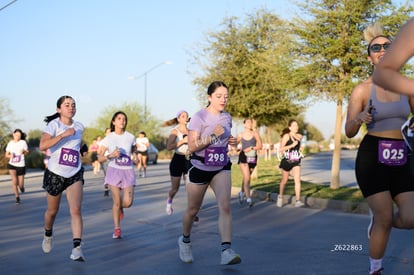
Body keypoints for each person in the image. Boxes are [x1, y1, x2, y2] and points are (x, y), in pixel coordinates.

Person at [346, 22, 414, 275]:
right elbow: (349, 131)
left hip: (402, 155)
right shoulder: (362, 90)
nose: (383, 49)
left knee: (410, 218)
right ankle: (376, 269)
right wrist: (359, 117)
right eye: (376, 47)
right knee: (385, 218)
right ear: (370, 56)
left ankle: (378, 223)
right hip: (372, 155)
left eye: (388, 46)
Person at [178, 81, 241, 265]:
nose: (223, 100)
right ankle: (185, 240)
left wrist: (232, 142)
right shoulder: (199, 117)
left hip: (221, 166)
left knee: (225, 206)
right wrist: (212, 136)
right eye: (219, 96)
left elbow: (227, 140)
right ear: (209, 97)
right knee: (192, 210)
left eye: (226, 96)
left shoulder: (227, 117)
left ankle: (226, 250)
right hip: (200, 167)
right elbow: (192, 146)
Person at [39, 95, 86, 262]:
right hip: (55, 173)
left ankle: (77, 248)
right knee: (52, 212)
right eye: (67, 105)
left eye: (73, 105)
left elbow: (79, 142)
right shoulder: (54, 125)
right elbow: (42, 145)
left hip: (74, 173)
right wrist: (62, 135)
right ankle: (48, 233)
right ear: (59, 109)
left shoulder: (79, 126)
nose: (71, 107)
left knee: (76, 210)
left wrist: (83, 148)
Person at [98, 111, 137, 239]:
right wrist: (111, 155)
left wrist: (135, 157)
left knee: (128, 202)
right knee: (116, 201)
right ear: (114, 121)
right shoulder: (108, 138)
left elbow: (134, 151)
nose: (122, 121)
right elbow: (99, 158)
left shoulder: (131, 137)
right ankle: (117, 229)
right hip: (114, 170)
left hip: (128, 171)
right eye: (119, 118)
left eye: (124, 119)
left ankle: (120, 208)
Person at [162, 110, 191, 215]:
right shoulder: (175, 131)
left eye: (186, 116)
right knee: (175, 188)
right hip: (178, 159)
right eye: (183, 116)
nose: (185, 117)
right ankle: (169, 200)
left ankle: (192, 211)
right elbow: (169, 147)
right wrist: (182, 141)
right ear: (178, 119)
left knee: (190, 187)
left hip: (189, 159)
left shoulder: (191, 131)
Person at [276, 119, 304, 208]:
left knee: (297, 179)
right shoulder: (286, 136)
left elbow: (299, 146)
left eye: (297, 125)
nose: (296, 127)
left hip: (296, 159)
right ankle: (280, 197)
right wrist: (292, 145)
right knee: (284, 180)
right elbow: (281, 149)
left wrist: (300, 148)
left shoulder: (299, 136)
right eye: (294, 125)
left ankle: (298, 200)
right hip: (287, 160)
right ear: (290, 127)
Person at [236, 118, 263, 207]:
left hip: (252, 157)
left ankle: (241, 192)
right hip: (243, 157)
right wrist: (236, 147)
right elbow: (235, 144)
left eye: (251, 122)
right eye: (248, 122)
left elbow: (260, 146)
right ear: (244, 125)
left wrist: (252, 148)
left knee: (246, 177)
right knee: (247, 178)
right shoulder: (241, 134)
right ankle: (248, 199)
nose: (250, 124)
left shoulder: (255, 134)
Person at [5, 129, 29, 204]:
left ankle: (22, 188)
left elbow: (27, 152)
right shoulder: (10, 143)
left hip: (21, 165)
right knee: (14, 181)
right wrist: (10, 156)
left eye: (19, 135)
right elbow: (6, 155)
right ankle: (17, 197)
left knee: (20, 185)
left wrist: (24, 152)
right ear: (13, 134)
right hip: (12, 164)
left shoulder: (23, 142)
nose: (17, 137)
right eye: (16, 135)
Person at [101, 128, 112, 196]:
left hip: (113, 159)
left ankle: (115, 188)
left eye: (110, 132)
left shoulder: (115, 140)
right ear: (105, 134)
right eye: (108, 132)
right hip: (106, 159)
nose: (109, 133)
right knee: (107, 175)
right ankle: (106, 188)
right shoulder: (103, 141)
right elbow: (99, 151)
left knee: (114, 174)